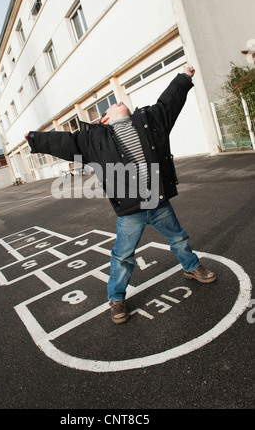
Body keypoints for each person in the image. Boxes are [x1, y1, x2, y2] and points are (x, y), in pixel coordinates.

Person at [25, 66, 217, 324]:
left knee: (179, 238)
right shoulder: (94, 139)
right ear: (105, 119)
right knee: (123, 256)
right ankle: (116, 298)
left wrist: (183, 78)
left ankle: (192, 268)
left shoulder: (149, 119)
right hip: (130, 211)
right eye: (111, 106)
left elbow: (169, 101)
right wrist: (36, 139)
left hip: (158, 201)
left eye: (119, 101)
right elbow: (64, 142)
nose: (117, 101)